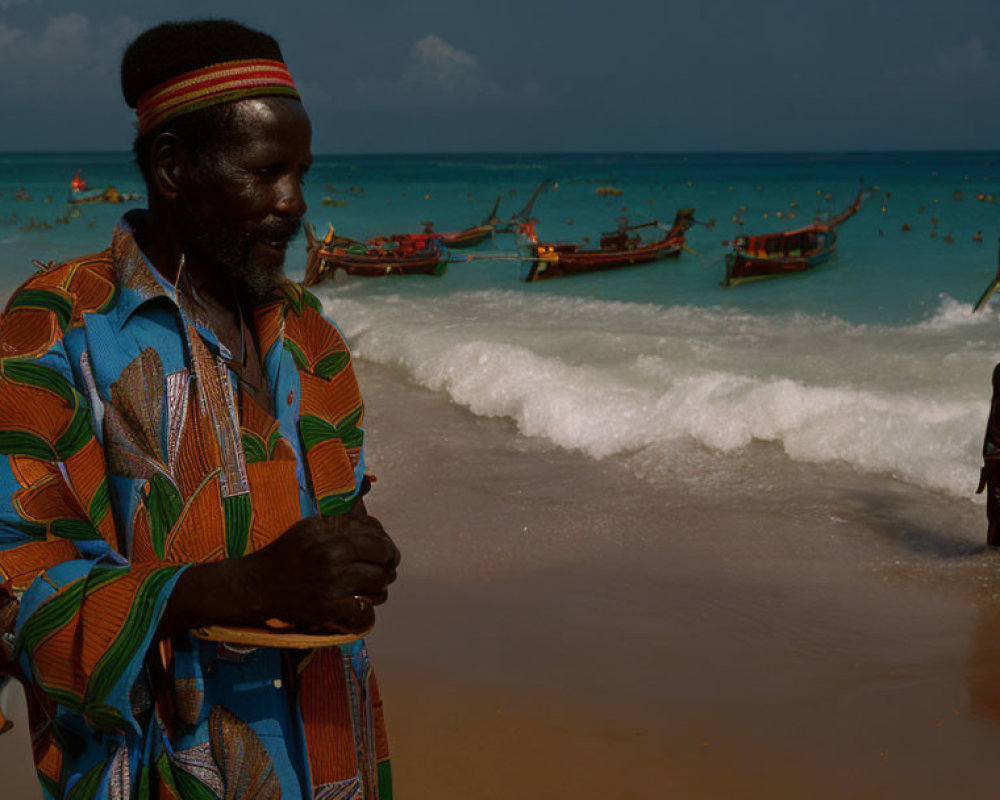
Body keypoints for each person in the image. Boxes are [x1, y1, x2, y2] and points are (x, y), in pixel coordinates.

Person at [0, 19, 400, 799]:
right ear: (173, 167)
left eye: (301, 173)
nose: (295, 203)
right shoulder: (50, 329)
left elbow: (329, 530)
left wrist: (359, 559)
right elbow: (20, 599)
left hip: (333, 763)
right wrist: (241, 588)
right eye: (264, 172)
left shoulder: (312, 336)